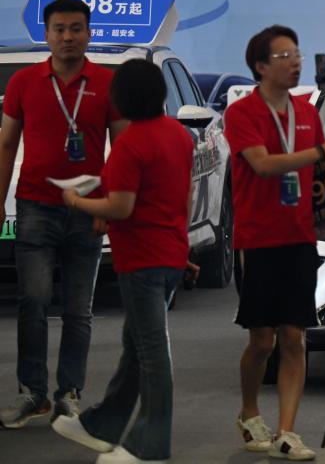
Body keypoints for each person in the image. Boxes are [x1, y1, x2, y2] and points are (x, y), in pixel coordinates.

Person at [52, 59, 194, 464]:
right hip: (169, 252)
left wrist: (75, 200)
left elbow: (120, 207)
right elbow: (182, 197)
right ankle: (103, 425)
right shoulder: (178, 135)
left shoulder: (132, 143)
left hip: (142, 258)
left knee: (150, 353)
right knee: (136, 348)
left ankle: (149, 446)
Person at [0, 0, 126, 429]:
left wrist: (109, 203)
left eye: (76, 28)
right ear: (46, 34)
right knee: (32, 301)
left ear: (89, 34)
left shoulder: (107, 83)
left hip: (88, 209)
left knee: (78, 309)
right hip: (35, 205)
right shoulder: (24, 82)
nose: (68, 37)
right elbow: (7, 144)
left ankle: (69, 394)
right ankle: (31, 393)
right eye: (59, 29)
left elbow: (121, 149)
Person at [225, 25, 325, 461]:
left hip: (299, 237)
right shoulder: (241, 113)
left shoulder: (307, 111)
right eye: (284, 56)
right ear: (260, 66)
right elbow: (263, 165)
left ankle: (287, 432)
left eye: (297, 54)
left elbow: (321, 178)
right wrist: (322, 152)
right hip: (258, 239)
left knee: (294, 335)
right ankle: (249, 412)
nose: (295, 62)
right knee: (263, 340)